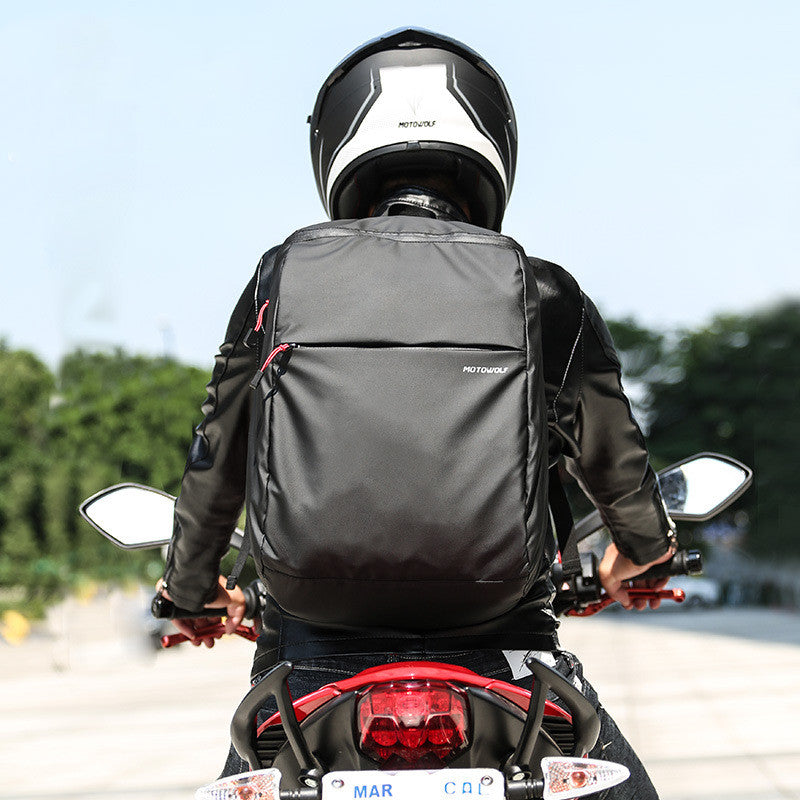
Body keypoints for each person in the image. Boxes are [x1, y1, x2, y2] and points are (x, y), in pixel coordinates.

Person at [158, 28, 676, 798]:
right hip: (505, 653)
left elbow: (218, 458)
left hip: (312, 658)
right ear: (492, 140)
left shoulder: (280, 279)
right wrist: (644, 553)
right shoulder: (544, 291)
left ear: (337, 143)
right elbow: (616, 463)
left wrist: (191, 588)